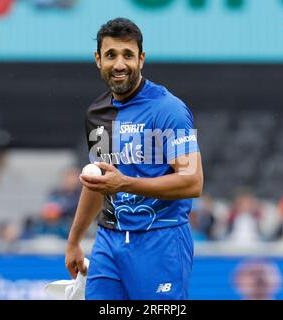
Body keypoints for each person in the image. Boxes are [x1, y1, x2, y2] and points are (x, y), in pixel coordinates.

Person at [65, 17, 203, 300]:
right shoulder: (96, 114)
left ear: (141, 59)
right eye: (111, 55)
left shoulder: (169, 110)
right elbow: (99, 182)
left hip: (161, 240)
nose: (119, 64)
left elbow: (192, 182)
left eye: (128, 55)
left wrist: (124, 183)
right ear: (97, 59)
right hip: (108, 242)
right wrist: (74, 241)